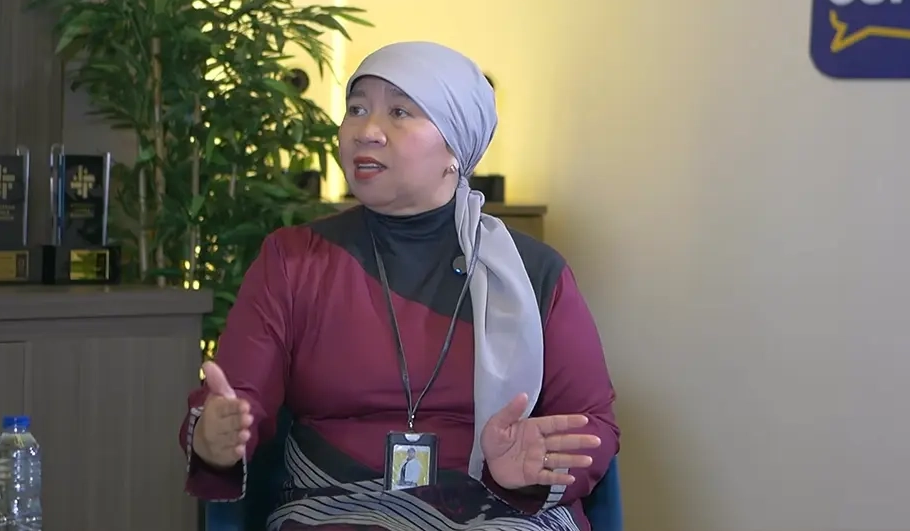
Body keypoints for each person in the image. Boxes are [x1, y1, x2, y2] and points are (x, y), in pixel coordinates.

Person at [179, 41, 620, 531]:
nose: (366, 130)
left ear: (454, 147)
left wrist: (534, 470)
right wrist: (214, 436)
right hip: (334, 507)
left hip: (498, 507)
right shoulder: (293, 259)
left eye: (399, 112)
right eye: (356, 109)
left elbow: (591, 423)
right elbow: (235, 400)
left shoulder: (534, 272)